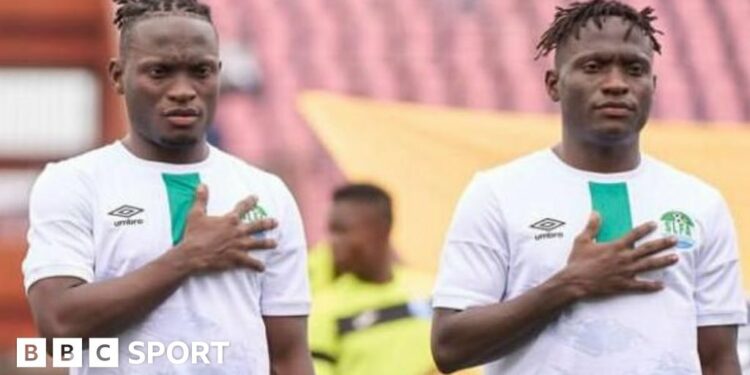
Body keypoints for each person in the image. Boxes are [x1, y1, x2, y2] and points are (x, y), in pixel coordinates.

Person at [430, 1, 747, 374]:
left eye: (635, 69)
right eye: (593, 67)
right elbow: (449, 347)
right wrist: (571, 284)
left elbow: (719, 358)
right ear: (553, 85)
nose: (616, 84)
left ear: (653, 86)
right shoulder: (497, 194)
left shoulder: (699, 203)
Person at [22, 1, 314, 373]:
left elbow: (287, 356)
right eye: (159, 72)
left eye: (201, 71)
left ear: (218, 74)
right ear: (117, 76)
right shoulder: (74, 183)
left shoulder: (266, 192)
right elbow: (59, 327)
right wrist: (188, 257)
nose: (183, 90)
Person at [309, 184, 436, 375]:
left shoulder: (431, 292)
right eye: (331, 231)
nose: (333, 242)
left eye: (342, 230)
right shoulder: (322, 309)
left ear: (382, 229)